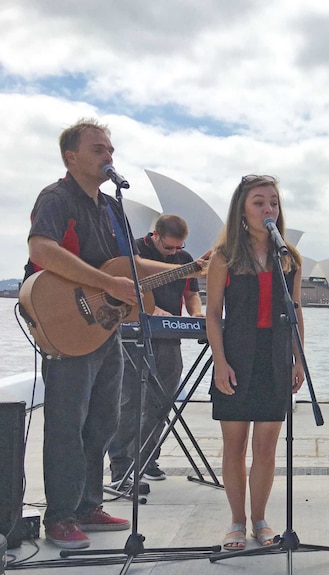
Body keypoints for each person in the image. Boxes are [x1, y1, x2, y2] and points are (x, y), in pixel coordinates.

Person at [25, 118, 205, 549]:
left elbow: (129, 266)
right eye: (98, 149)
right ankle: (61, 516)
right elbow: (42, 249)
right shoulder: (55, 197)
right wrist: (105, 285)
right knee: (68, 423)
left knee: (104, 418)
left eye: (110, 149)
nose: (109, 156)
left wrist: (192, 268)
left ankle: (88, 505)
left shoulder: (110, 206)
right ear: (72, 156)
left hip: (103, 330)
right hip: (67, 325)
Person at [206, 174, 305, 551]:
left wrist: (299, 359)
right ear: (242, 210)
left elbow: (295, 309)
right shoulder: (225, 257)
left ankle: (261, 519)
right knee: (235, 445)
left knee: (266, 446)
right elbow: (213, 314)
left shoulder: (288, 257)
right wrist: (220, 361)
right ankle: (236, 520)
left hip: (274, 357)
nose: (268, 209)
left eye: (273, 203)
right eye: (259, 202)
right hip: (237, 355)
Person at [107, 214, 204, 493]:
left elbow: (190, 293)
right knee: (130, 401)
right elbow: (118, 287)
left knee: (162, 400)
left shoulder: (185, 258)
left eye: (179, 248)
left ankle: (148, 459)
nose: (174, 253)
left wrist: (196, 314)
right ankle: (121, 466)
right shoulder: (134, 252)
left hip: (168, 336)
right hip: (133, 332)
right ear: (155, 236)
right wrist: (148, 310)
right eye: (169, 248)